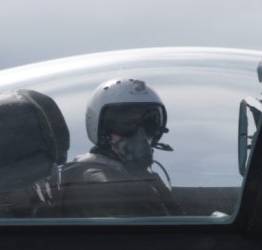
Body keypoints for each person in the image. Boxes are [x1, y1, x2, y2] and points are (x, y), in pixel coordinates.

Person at [54, 78, 179, 218]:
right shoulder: (100, 186)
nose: (140, 135)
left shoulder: (134, 176)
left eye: (150, 124)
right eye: (125, 124)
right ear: (100, 128)